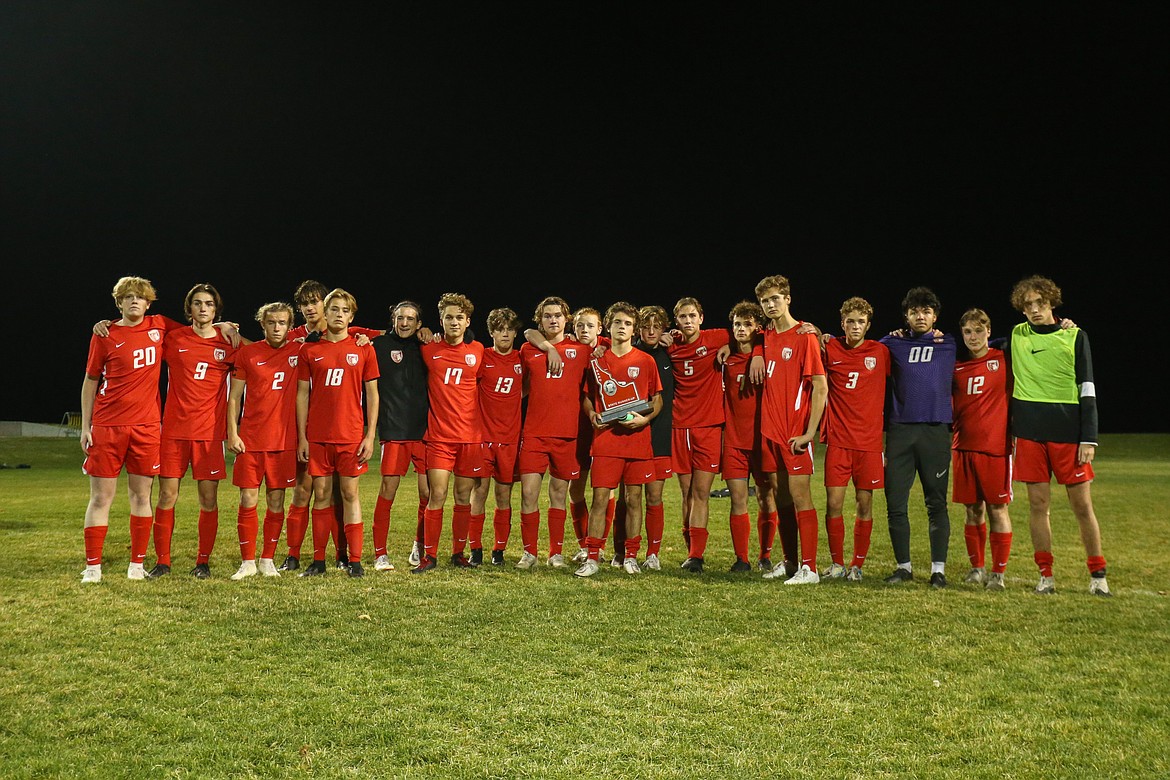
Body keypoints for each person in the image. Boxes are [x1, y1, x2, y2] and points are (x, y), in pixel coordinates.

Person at [1004, 275, 1109, 596]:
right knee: (1038, 505)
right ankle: (1045, 575)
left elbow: (1087, 387)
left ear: (1052, 303)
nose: (1035, 310)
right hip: (1030, 435)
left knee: (1082, 506)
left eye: (1041, 303)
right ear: (1021, 309)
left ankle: (1098, 575)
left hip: (1068, 436)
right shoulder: (1017, 335)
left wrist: (1088, 438)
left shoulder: (1075, 336)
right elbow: (978, 342)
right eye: (1029, 305)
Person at [79, 276, 188, 583]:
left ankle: (136, 565)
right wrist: (86, 427)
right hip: (107, 426)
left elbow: (197, 333)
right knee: (101, 498)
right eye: (128, 297)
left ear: (149, 302)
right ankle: (93, 567)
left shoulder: (160, 325)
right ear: (119, 302)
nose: (134, 301)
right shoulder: (105, 334)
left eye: (140, 297)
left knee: (142, 497)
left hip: (147, 427)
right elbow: (90, 381)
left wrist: (225, 328)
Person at [280, 279, 384, 572]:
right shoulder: (310, 350)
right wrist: (302, 437)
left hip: (350, 435)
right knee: (321, 495)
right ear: (326, 312)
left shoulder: (364, 348)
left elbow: (373, 394)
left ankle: (354, 561)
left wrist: (370, 434)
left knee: (350, 494)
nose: (339, 314)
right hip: (319, 436)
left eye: (345, 310)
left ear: (352, 316)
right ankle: (318, 560)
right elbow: (302, 394)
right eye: (334, 309)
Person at [151, 283, 240, 579]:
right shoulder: (173, 339)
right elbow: (145, 331)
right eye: (198, 303)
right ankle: (162, 561)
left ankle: (203, 561)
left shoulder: (227, 342)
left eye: (209, 304)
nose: (203, 308)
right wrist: (108, 324)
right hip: (174, 432)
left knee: (208, 499)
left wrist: (232, 330)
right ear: (189, 308)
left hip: (210, 434)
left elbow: (258, 355)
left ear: (216, 310)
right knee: (166, 496)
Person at [574, 302, 663, 577]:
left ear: (633, 329)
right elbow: (588, 397)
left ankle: (631, 556)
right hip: (606, 441)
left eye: (627, 323)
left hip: (637, 440)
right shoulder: (597, 361)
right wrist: (591, 415)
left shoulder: (645, 361)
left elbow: (656, 399)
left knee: (634, 499)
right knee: (600, 499)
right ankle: (592, 557)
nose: (622, 327)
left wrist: (645, 420)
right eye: (617, 323)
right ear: (609, 327)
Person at [879, 286, 957, 588]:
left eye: (925, 311)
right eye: (914, 311)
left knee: (936, 503)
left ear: (935, 316)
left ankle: (938, 570)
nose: (920, 316)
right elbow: (859, 348)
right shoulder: (892, 343)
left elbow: (991, 344)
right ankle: (904, 567)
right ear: (906, 316)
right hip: (900, 432)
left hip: (935, 432)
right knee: (895, 502)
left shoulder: (949, 343)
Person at [752, 275, 828, 585]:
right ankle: (790, 561)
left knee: (800, 497)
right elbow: (748, 335)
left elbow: (820, 388)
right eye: (765, 301)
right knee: (780, 497)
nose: (770, 304)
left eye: (775, 299)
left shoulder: (805, 336)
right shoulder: (766, 336)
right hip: (770, 430)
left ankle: (810, 568)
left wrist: (810, 433)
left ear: (788, 299)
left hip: (795, 430)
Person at [516, 296, 594, 569]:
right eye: (547, 316)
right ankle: (529, 553)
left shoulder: (581, 350)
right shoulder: (528, 349)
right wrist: (548, 348)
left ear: (566, 319)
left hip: (566, 435)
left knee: (559, 495)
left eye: (558, 315)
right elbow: (527, 335)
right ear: (541, 320)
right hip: (534, 433)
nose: (553, 320)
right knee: (529, 495)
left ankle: (555, 553)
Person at [225, 301, 300, 580]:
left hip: (283, 440)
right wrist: (232, 432)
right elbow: (234, 397)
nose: (277, 327)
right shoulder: (249, 354)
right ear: (263, 325)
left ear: (290, 326)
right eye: (271, 322)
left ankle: (267, 558)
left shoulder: (298, 350)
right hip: (251, 440)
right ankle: (247, 562)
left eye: (282, 323)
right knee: (247, 499)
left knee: (277, 500)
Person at [411, 292, 485, 573]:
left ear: (467, 321)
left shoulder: (477, 350)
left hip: (469, 437)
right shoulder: (430, 349)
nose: (454, 322)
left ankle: (458, 553)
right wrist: (422, 331)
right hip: (440, 437)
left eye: (459, 318)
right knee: (437, 495)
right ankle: (429, 556)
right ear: (441, 320)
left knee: (463, 497)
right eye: (449, 318)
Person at [819, 297, 890, 582]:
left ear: (868, 325)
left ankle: (856, 565)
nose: (855, 326)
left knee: (864, 503)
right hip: (838, 442)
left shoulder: (881, 351)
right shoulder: (830, 347)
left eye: (861, 322)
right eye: (850, 321)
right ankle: (837, 563)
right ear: (842, 324)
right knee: (833, 503)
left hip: (869, 444)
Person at [369, 300, 433, 573]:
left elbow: (467, 336)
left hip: (424, 432)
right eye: (400, 318)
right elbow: (346, 331)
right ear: (393, 319)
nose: (405, 323)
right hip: (394, 430)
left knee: (427, 494)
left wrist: (430, 333)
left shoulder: (427, 346)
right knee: (388, 492)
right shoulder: (379, 345)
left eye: (410, 319)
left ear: (419, 324)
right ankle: (380, 554)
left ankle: (419, 545)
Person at [666, 297, 730, 573]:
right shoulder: (671, 345)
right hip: (680, 426)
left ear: (701, 317)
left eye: (692, 315)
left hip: (709, 427)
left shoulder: (718, 337)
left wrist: (733, 346)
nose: (688, 320)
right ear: (676, 321)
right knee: (686, 492)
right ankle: (689, 551)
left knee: (701, 491)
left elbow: (756, 335)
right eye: (683, 317)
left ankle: (696, 555)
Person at [609, 304, 675, 571]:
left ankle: (652, 553)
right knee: (627, 497)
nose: (650, 331)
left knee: (654, 496)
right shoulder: (626, 351)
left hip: (659, 433)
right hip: (629, 434)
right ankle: (619, 551)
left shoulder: (671, 353)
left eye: (656, 326)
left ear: (664, 329)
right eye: (645, 326)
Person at [720, 301, 777, 573]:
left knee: (767, 498)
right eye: (737, 325)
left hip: (762, 439)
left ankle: (765, 555)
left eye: (747, 324)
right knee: (738, 499)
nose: (741, 329)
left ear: (758, 328)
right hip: (733, 440)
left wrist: (758, 352)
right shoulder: (726, 357)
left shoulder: (768, 353)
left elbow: (776, 335)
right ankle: (741, 559)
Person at [471, 307, 525, 566]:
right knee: (479, 493)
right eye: (499, 329)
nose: (505, 334)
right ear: (491, 332)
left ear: (515, 332)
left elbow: (526, 390)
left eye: (509, 329)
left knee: (504, 496)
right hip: (483, 438)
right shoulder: (483, 356)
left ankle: (499, 550)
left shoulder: (521, 358)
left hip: (510, 440)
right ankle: (475, 548)